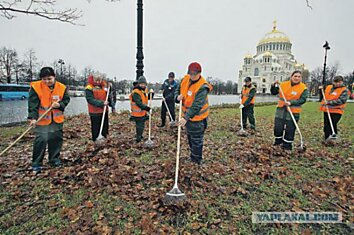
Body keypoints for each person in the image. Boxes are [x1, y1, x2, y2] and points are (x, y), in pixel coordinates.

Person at [28, 67, 70, 173]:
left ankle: (54, 160)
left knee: (56, 140)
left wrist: (60, 105)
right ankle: (37, 163)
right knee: (40, 141)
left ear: (54, 77)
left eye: (49, 79)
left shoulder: (62, 87)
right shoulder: (36, 87)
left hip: (57, 120)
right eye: (44, 79)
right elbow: (33, 104)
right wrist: (32, 118)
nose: (47, 81)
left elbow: (66, 100)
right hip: (42, 121)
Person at [175, 62, 212, 165]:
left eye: (194, 74)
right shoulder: (185, 79)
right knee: (190, 137)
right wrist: (177, 97)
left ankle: (196, 161)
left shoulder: (202, 87)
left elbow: (196, 106)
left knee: (196, 140)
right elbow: (177, 90)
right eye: (190, 73)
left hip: (198, 119)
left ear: (199, 73)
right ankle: (193, 157)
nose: (192, 76)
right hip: (187, 118)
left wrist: (186, 117)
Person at [270, 70, 308, 150]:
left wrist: (291, 102)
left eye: (299, 77)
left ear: (301, 78)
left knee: (290, 129)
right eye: (295, 76)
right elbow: (274, 92)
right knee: (278, 127)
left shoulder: (303, 88)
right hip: (281, 110)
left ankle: (287, 146)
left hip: (293, 111)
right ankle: (278, 142)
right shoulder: (283, 84)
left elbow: (303, 99)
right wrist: (273, 86)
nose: (297, 78)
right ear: (291, 77)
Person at [319, 75, 349, 142]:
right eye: (336, 82)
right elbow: (323, 96)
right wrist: (320, 90)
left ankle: (333, 138)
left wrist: (329, 102)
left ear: (342, 82)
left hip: (337, 110)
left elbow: (341, 100)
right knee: (326, 125)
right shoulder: (329, 87)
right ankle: (327, 138)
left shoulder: (344, 90)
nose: (337, 84)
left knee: (332, 124)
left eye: (339, 82)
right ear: (333, 82)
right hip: (327, 110)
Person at [85, 73, 112, 142]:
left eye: (99, 80)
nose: (98, 82)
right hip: (94, 112)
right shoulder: (89, 88)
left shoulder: (104, 86)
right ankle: (96, 140)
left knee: (105, 127)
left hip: (104, 111)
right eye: (96, 80)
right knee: (96, 128)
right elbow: (90, 99)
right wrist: (101, 103)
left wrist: (110, 88)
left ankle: (104, 139)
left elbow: (108, 95)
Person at [129, 76, 154, 142]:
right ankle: (138, 138)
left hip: (142, 112)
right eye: (141, 84)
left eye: (144, 84)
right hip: (137, 113)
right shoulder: (136, 92)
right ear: (138, 84)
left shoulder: (143, 91)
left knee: (141, 125)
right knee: (139, 126)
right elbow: (139, 103)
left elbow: (146, 99)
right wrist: (147, 108)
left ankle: (140, 135)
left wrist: (152, 94)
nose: (143, 85)